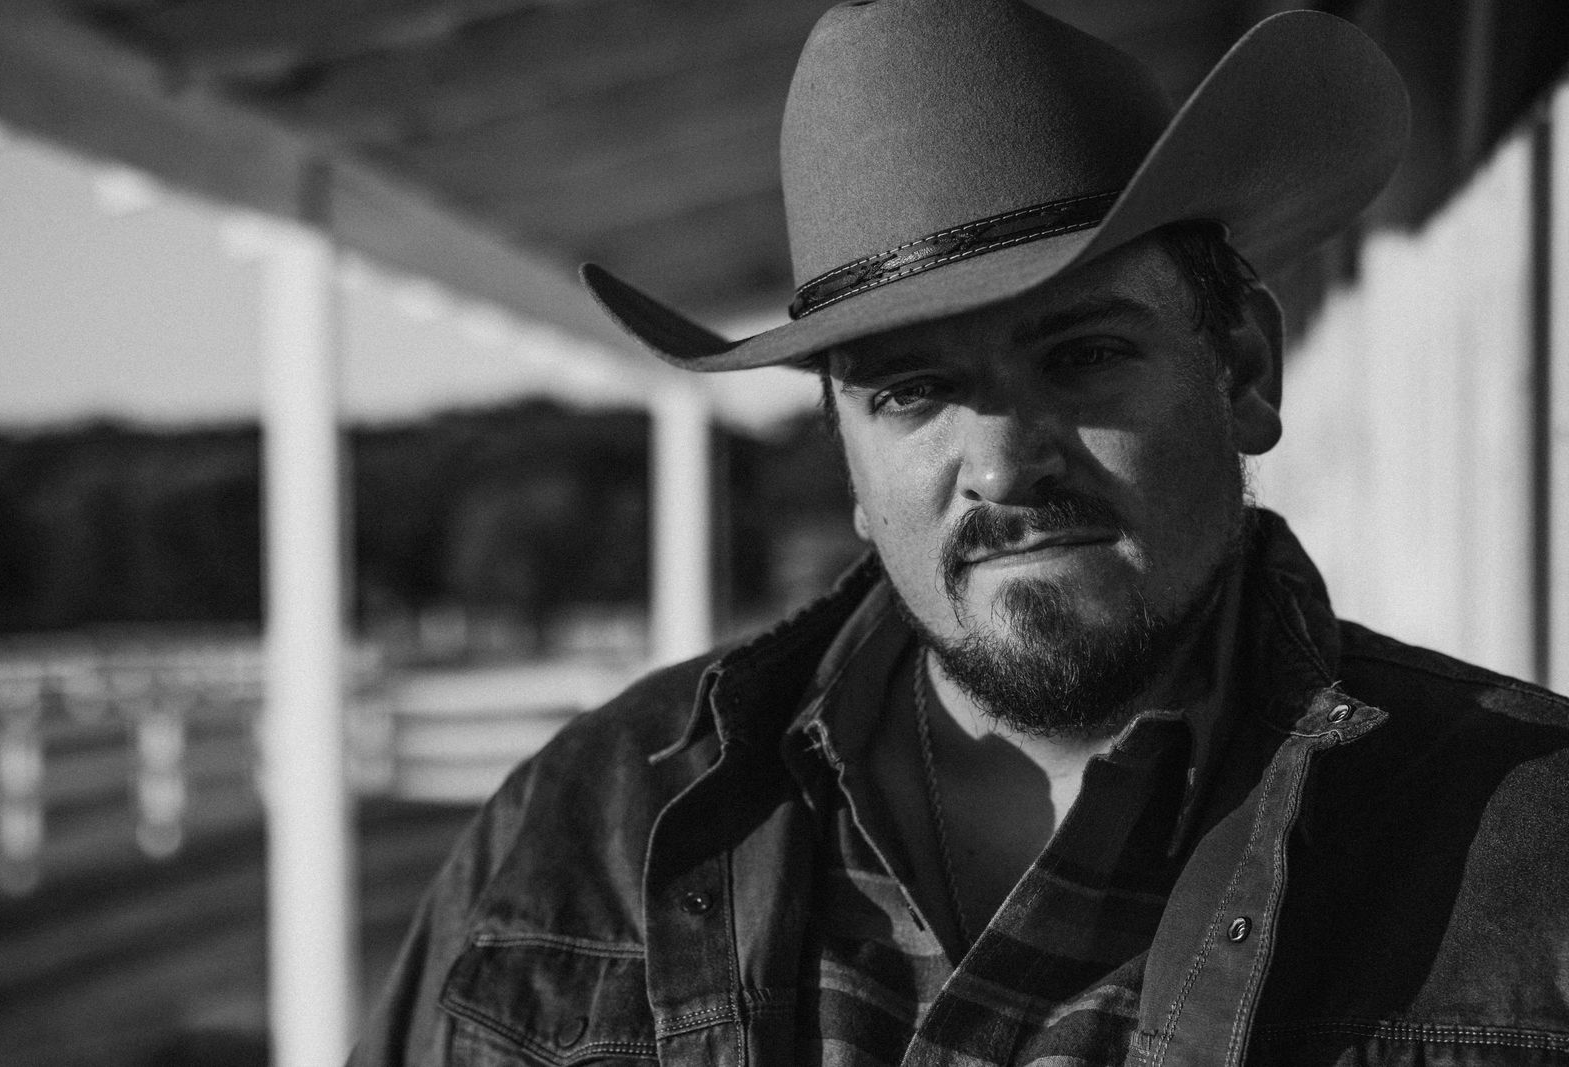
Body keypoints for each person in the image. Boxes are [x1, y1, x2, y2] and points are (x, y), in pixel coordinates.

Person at [351, 2, 1569, 1064]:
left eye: (1082, 354)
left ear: (1241, 367)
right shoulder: (577, 830)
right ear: (846, 453)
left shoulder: (1537, 843)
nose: (998, 464)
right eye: (910, 392)